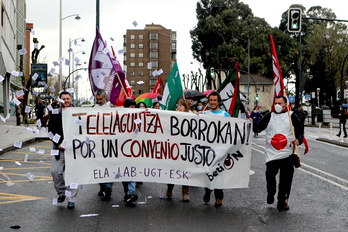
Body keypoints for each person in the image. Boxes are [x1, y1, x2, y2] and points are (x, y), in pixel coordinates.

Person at [252, 96, 303, 211]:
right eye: (275, 103)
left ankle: (281, 201)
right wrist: (250, 123)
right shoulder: (269, 116)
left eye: (280, 103)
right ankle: (271, 192)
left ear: (286, 104)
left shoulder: (291, 116)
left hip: (288, 153)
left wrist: (298, 140)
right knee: (270, 176)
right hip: (272, 154)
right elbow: (258, 128)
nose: (277, 105)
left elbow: (300, 131)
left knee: (285, 180)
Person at [48, 91, 77, 209]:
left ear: (71, 100)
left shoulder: (77, 113)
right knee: (55, 172)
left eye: (68, 99)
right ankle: (61, 193)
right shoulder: (55, 114)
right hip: (58, 149)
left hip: (74, 150)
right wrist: (58, 143)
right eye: (63, 99)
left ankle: (72, 199)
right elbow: (50, 132)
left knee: (73, 175)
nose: (66, 101)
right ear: (60, 100)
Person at [202, 91, 230, 207]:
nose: (213, 102)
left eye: (215, 100)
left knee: (219, 173)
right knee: (208, 171)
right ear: (208, 102)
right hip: (207, 149)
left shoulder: (225, 115)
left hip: (220, 149)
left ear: (218, 102)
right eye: (211, 100)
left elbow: (231, 130)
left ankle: (219, 196)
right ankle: (208, 191)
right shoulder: (204, 114)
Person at [165, 99, 191, 202]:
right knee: (173, 168)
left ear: (185, 107)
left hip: (186, 148)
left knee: (186, 169)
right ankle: (170, 188)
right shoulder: (173, 115)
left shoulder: (191, 116)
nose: (179, 107)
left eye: (181, 106)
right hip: (175, 147)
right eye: (178, 105)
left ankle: (185, 191)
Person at [94, 89, 113, 201]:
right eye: (97, 99)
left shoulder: (111, 107)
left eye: (101, 99)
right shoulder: (94, 109)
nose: (99, 101)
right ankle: (103, 186)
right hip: (97, 143)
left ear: (105, 98)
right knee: (98, 165)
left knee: (108, 165)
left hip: (110, 142)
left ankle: (107, 187)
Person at [122, 98, 138, 206]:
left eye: (134, 108)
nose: (133, 110)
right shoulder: (120, 117)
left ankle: (131, 193)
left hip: (135, 149)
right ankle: (127, 192)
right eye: (130, 108)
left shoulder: (138, 118)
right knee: (125, 173)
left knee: (133, 171)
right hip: (123, 150)